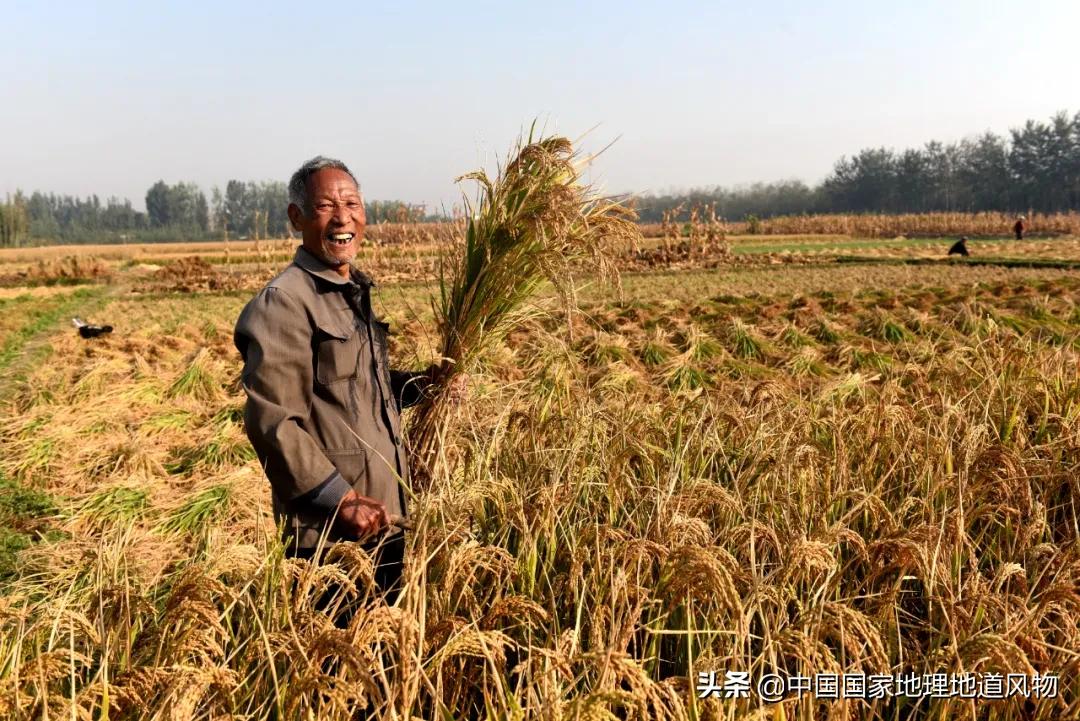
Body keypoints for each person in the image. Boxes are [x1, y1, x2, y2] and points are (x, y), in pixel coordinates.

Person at [233, 156, 462, 614]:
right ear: (296, 218)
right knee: (339, 671)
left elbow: (359, 393)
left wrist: (424, 386)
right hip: (331, 536)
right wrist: (342, 499)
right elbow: (274, 422)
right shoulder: (285, 303)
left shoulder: (351, 293)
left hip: (384, 518)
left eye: (352, 203)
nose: (342, 217)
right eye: (324, 206)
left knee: (384, 664)